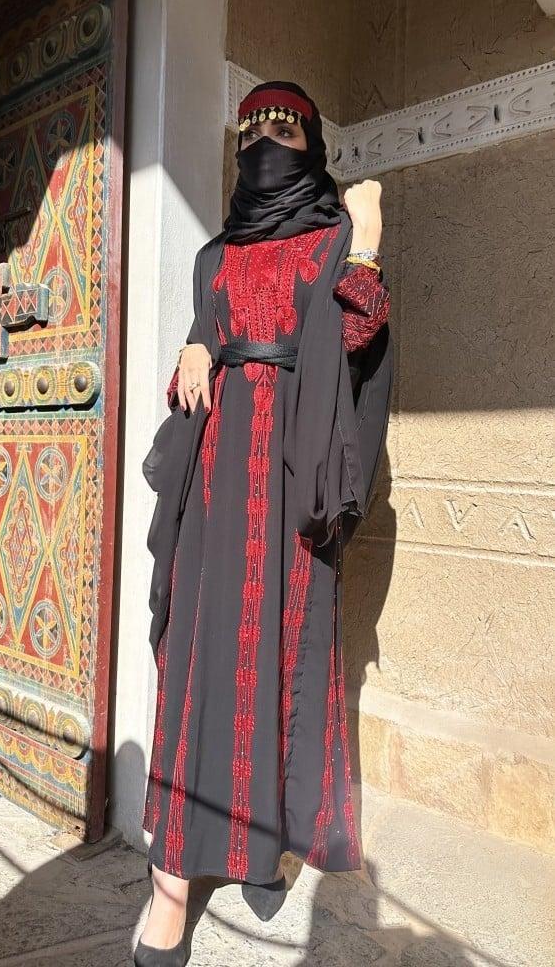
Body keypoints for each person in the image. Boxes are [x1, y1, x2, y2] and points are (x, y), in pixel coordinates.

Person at [134, 80, 393, 967]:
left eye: (283, 128)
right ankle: (172, 881)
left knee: (281, 651)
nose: (264, 143)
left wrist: (369, 243)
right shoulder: (215, 254)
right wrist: (195, 344)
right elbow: (205, 341)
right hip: (216, 481)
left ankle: (260, 845)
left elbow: (355, 339)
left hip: (295, 470)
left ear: (312, 142)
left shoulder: (334, 238)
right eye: (249, 131)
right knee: (202, 653)